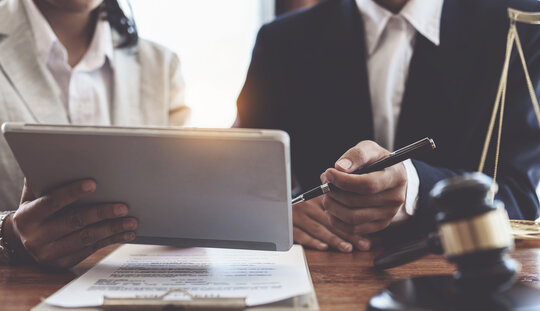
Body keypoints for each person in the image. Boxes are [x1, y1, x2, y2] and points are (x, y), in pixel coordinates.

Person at [237, 0, 540, 252]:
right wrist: (275, 211)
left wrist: (416, 190)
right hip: (321, 272)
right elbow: (240, 181)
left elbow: (520, 199)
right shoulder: (280, 41)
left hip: (464, 280)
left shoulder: (523, 25)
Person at [0, 0, 190, 268]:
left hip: (137, 291)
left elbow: (182, 202)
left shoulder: (161, 67)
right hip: (14, 298)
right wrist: (6, 235)